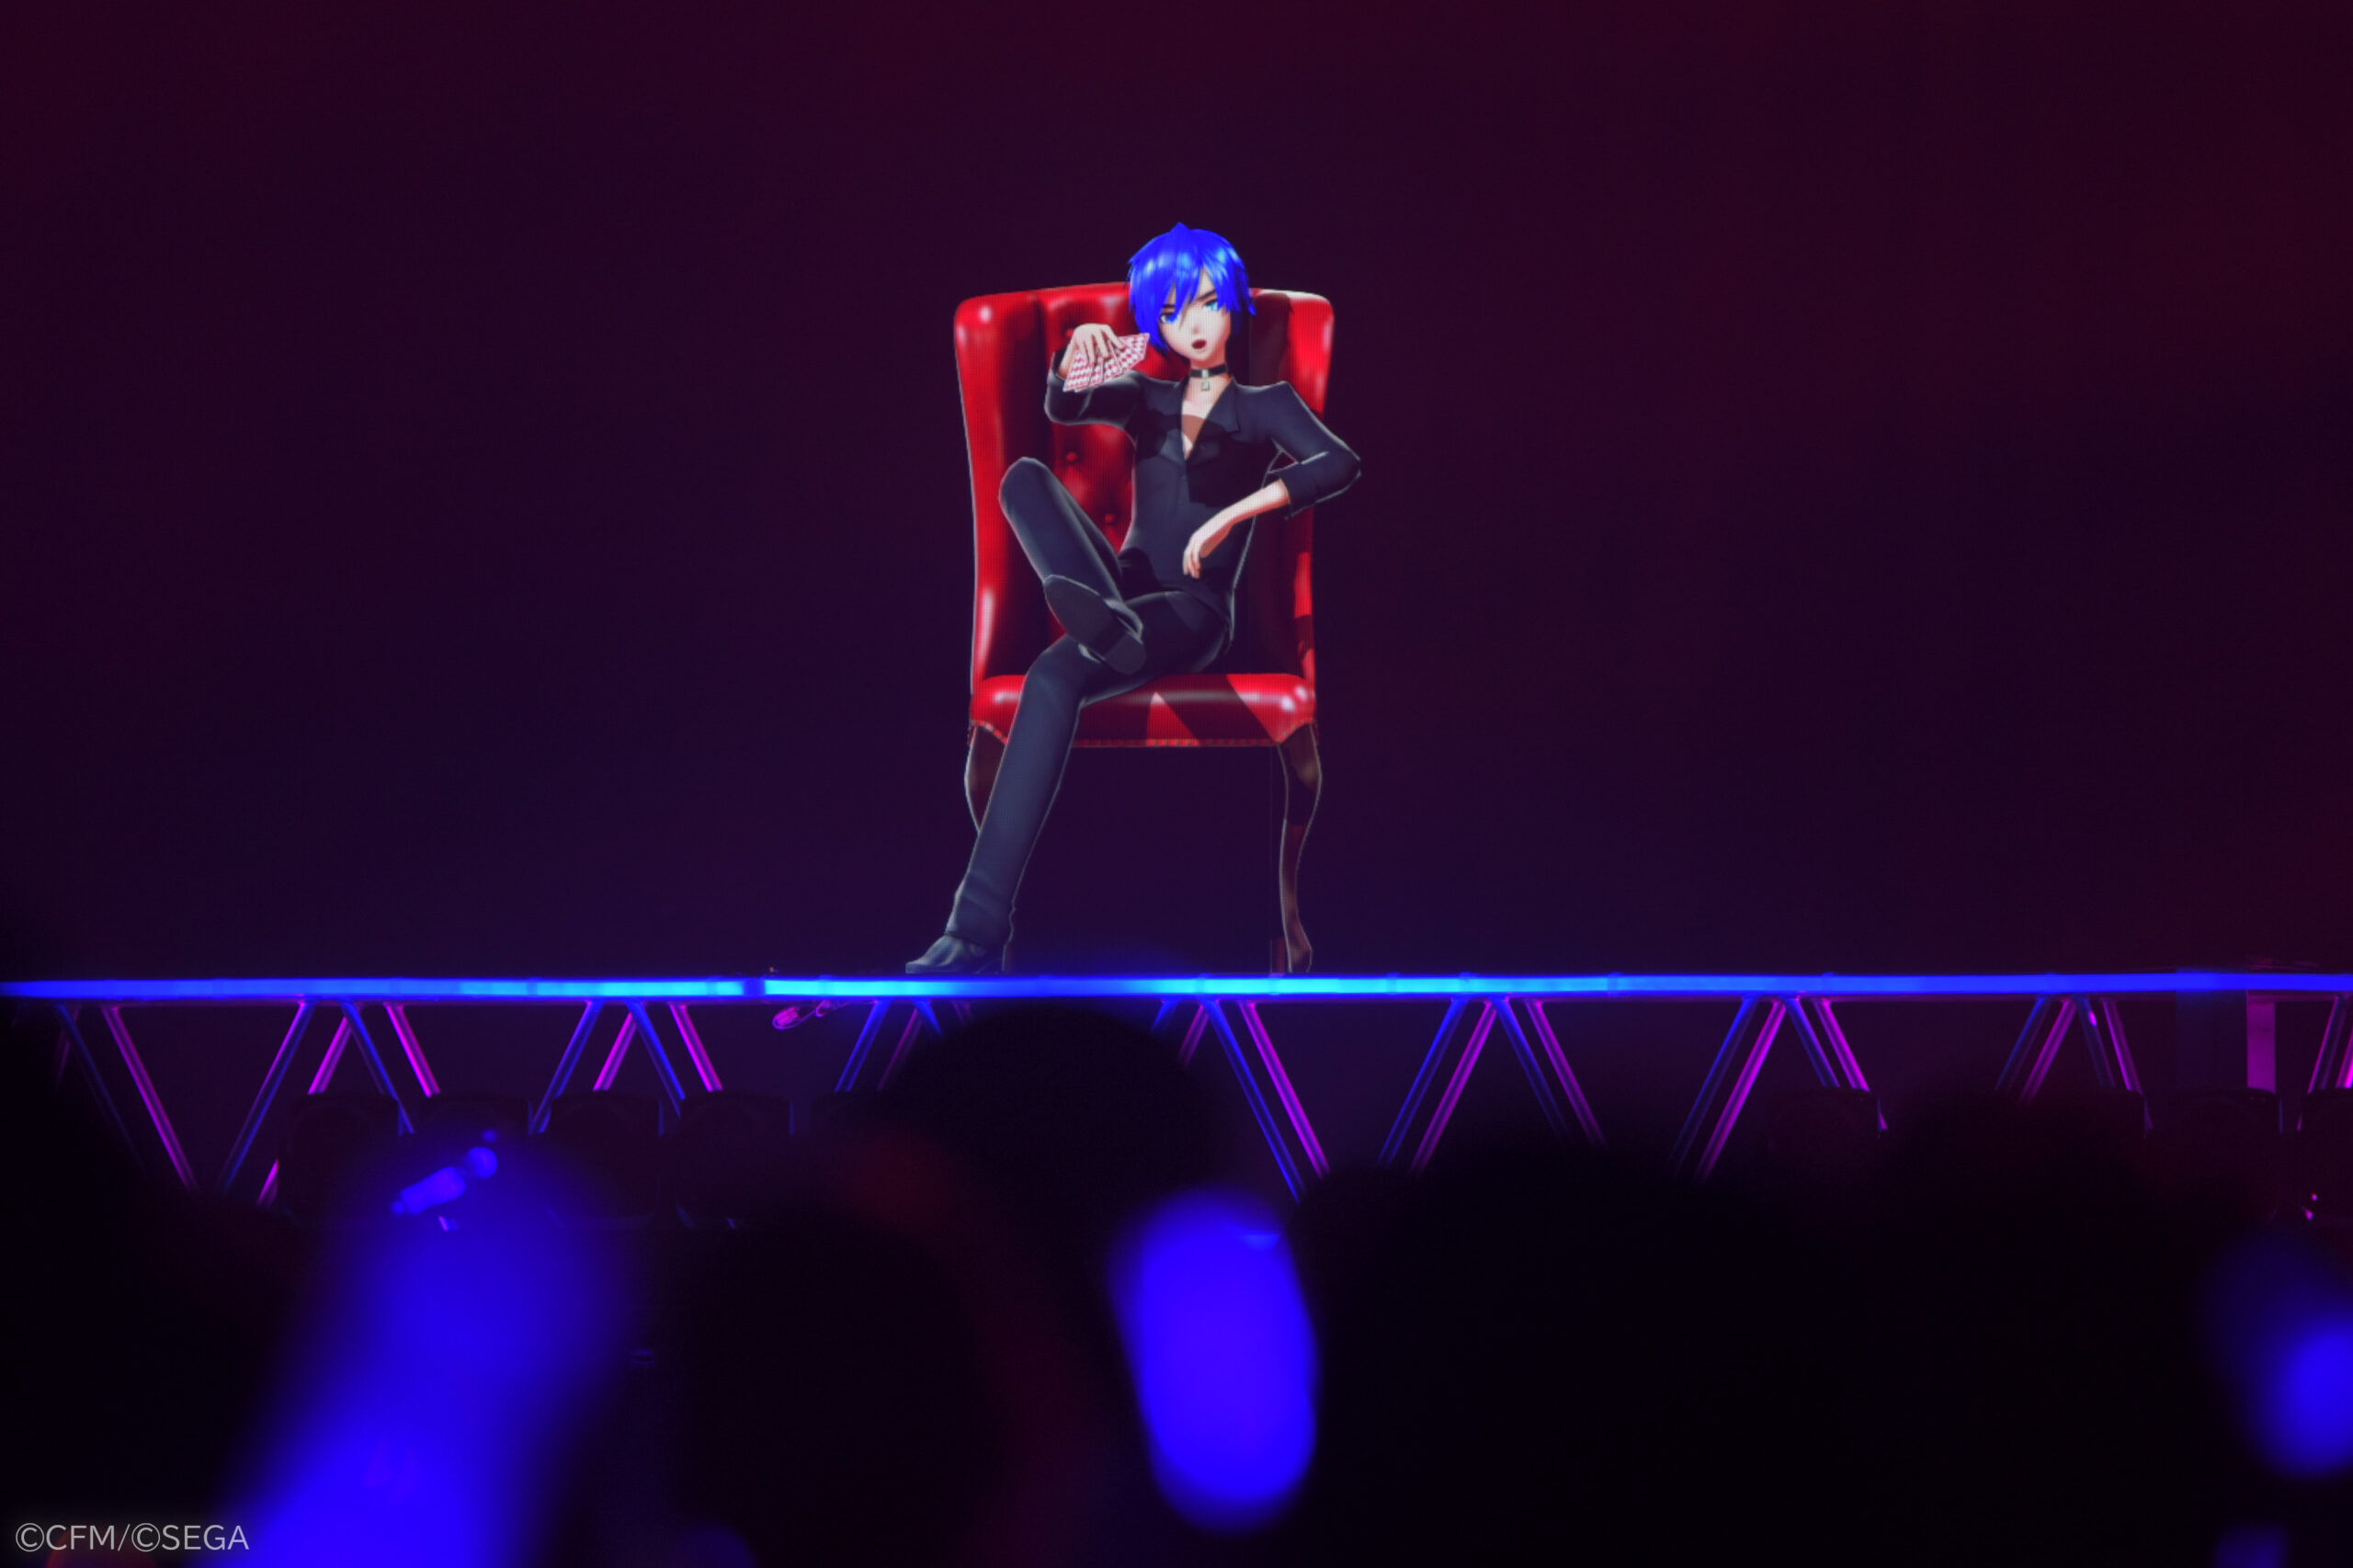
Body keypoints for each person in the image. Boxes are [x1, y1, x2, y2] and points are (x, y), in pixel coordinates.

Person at [907, 224, 1360, 975]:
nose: (1195, 323)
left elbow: (1338, 461)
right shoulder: (1148, 399)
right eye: (1175, 311)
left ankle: (973, 929)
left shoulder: (1264, 407)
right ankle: (1113, 628)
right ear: (1157, 324)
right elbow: (1065, 408)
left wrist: (1234, 513)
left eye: (1209, 303)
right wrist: (1071, 359)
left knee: (1059, 668)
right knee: (1024, 481)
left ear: (1233, 304)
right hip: (1120, 592)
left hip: (1192, 611)